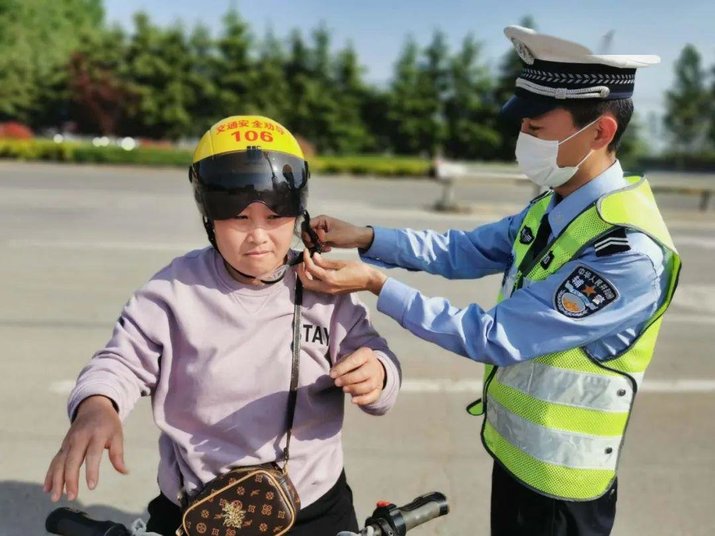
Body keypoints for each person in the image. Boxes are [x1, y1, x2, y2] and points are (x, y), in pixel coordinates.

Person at [297, 26, 681, 536]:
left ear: (599, 132)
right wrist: (366, 237)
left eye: (537, 128)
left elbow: (493, 335)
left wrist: (374, 284)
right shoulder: (557, 203)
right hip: (518, 459)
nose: (524, 139)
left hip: (563, 488)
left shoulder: (628, 252)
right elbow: (465, 250)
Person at [43, 115, 401, 536]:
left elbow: (379, 362)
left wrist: (378, 373)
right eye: (239, 218)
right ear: (209, 216)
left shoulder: (325, 289)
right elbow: (120, 361)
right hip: (198, 508)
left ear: (297, 215)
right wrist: (97, 407)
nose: (258, 237)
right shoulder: (173, 291)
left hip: (312, 507)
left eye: (274, 218)